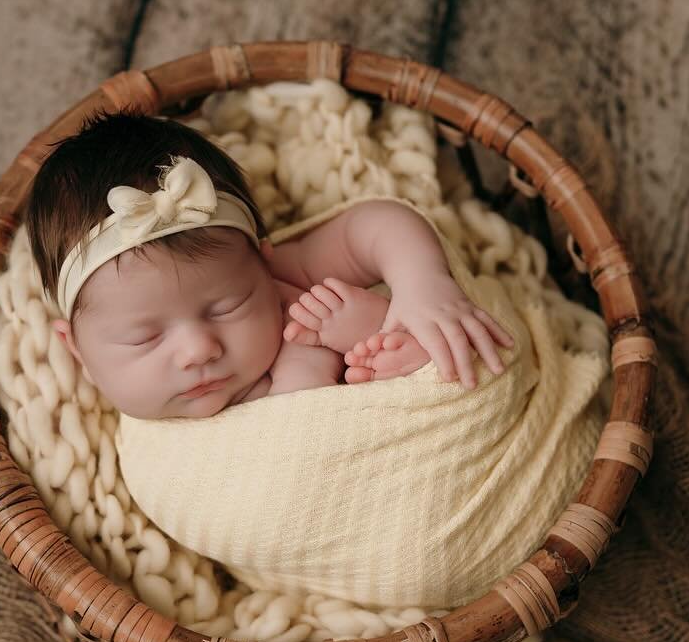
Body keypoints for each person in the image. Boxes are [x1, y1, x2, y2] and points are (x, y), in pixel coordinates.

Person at [26, 110, 514, 421]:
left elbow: (378, 223)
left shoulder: (288, 282)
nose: (198, 349)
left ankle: (397, 348)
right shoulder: (150, 455)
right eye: (144, 337)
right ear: (81, 354)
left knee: (445, 350)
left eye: (227, 306)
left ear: (262, 262)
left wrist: (420, 284)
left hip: (422, 433)